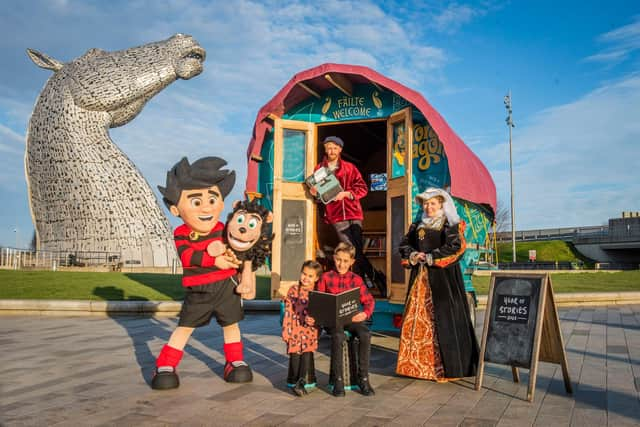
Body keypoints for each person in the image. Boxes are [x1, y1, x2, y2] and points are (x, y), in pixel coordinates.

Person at [151, 156, 252, 390]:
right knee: (185, 326)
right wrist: (214, 260)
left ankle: (234, 361)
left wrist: (238, 262)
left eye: (212, 198)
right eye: (196, 202)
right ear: (176, 209)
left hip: (227, 287)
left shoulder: (225, 229)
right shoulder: (181, 232)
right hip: (200, 289)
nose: (206, 207)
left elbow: (241, 249)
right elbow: (188, 257)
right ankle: (166, 364)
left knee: (231, 324)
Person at [397, 187, 479, 382]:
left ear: (441, 204)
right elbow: (404, 245)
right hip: (421, 280)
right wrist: (414, 255)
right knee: (419, 320)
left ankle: (445, 368)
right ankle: (416, 367)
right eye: (426, 203)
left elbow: (456, 247)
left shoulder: (449, 225)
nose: (429, 207)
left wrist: (433, 256)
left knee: (444, 320)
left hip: (443, 280)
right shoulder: (416, 225)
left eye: (432, 203)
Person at [310, 136, 380, 291]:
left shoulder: (350, 168)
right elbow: (321, 197)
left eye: (335, 148)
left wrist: (347, 194)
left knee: (357, 251)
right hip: (335, 214)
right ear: (325, 149)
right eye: (329, 147)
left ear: (340, 149)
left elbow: (363, 189)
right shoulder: (319, 170)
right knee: (350, 250)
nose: (331, 151)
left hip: (353, 212)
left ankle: (363, 284)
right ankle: (374, 278)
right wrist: (314, 192)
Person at [315, 242, 376, 396]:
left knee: (365, 334)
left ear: (352, 262)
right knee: (338, 336)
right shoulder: (325, 277)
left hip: (351, 319)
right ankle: (338, 380)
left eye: (345, 261)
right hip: (333, 321)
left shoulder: (356, 280)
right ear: (334, 258)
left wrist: (364, 314)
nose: (341, 264)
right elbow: (319, 301)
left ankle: (363, 378)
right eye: (338, 259)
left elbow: (369, 301)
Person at [282, 260, 323, 396]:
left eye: (310, 276)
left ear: (316, 278)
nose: (306, 278)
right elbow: (288, 311)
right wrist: (286, 330)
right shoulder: (294, 290)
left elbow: (320, 314)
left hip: (309, 330)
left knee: (306, 355)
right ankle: (293, 381)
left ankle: (301, 382)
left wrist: (315, 320)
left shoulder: (317, 294)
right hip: (294, 328)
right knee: (295, 355)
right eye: (304, 274)